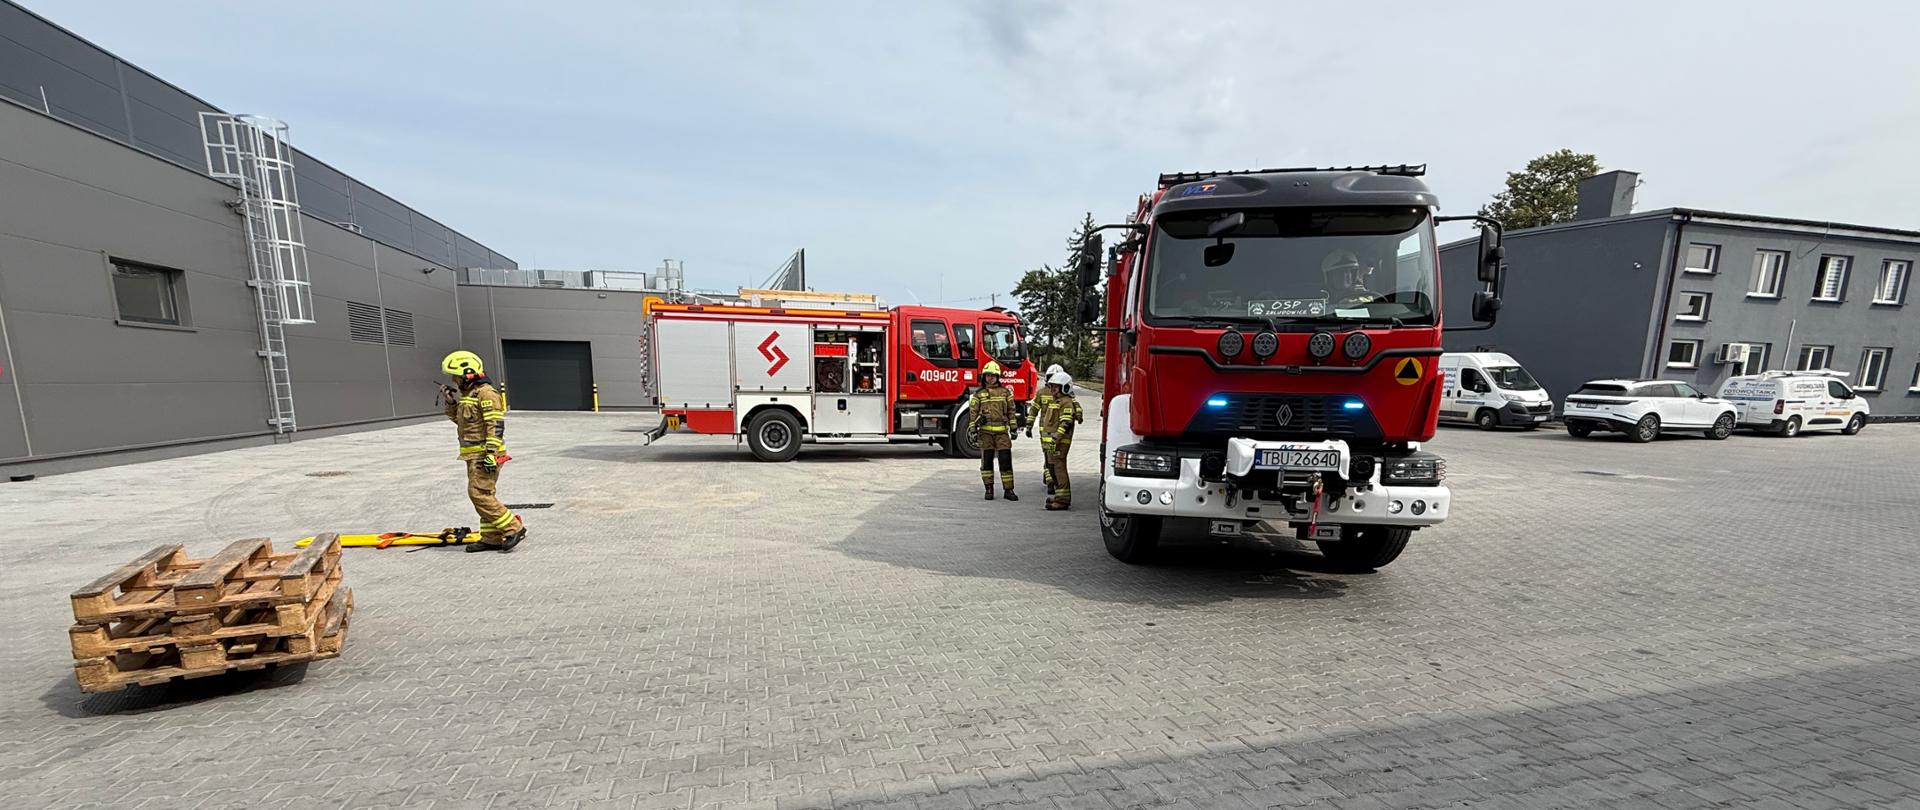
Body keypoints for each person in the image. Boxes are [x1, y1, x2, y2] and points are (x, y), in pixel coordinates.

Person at [440, 350, 526, 552]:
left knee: (478, 494)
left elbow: (495, 424)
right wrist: (451, 403)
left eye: (456, 376)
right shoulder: (469, 395)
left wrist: (490, 453)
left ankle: (513, 527)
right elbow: (463, 423)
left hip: (486, 454)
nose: (454, 380)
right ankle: (491, 537)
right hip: (473, 455)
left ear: (467, 374)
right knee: (484, 493)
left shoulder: (486, 394)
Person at [969, 361, 1019, 501]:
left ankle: (1009, 490)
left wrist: (1013, 428)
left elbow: (1011, 411)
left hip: (1002, 433)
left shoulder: (1005, 393)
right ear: (983, 377)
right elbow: (973, 413)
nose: (990, 378)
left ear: (998, 377)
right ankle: (989, 489)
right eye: (987, 375)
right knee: (987, 462)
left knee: (1005, 461)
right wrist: (973, 429)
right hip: (985, 434)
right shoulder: (979, 395)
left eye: (993, 375)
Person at [1037, 371, 1085, 511]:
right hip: (1053, 443)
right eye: (1051, 387)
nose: (1052, 390)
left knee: (1059, 469)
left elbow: (1065, 422)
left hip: (1059, 443)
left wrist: (1055, 439)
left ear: (1065, 388)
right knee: (1052, 469)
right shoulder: (1057, 401)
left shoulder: (1066, 403)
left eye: (1055, 387)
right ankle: (1059, 497)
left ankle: (1063, 500)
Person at [1026, 363, 1065, 494]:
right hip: (1057, 433)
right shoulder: (1064, 394)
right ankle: (1051, 481)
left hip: (1046, 432)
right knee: (1054, 457)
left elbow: (1033, 411)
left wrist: (1029, 427)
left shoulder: (1042, 393)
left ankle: (1049, 480)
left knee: (1048, 457)